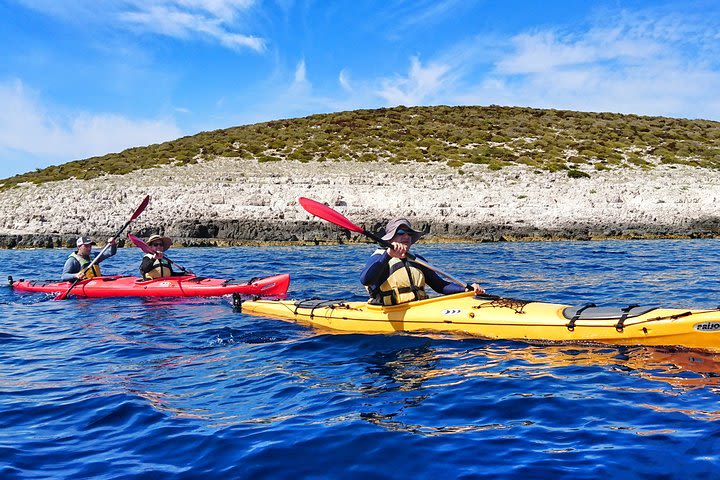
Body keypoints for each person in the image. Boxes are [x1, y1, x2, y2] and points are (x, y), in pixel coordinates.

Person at [360, 218, 484, 305]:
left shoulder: (417, 260)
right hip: (388, 313)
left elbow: (440, 285)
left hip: (418, 309)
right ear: (390, 238)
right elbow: (366, 280)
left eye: (409, 234)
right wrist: (388, 255)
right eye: (401, 233)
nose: (406, 237)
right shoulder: (379, 257)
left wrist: (465, 289)